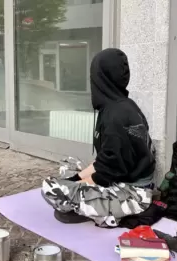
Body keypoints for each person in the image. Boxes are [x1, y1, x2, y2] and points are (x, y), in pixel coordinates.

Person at [41, 48, 156, 228]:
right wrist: (74, 180)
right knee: (68, 165)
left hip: (133, 193)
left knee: (51, 189)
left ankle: (103, 211)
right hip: (120, 178)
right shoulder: (120, 106)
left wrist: (74, 186)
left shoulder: (116, 116)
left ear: (102, 78)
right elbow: (105, 160)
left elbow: (108, 172)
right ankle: (88, 200)